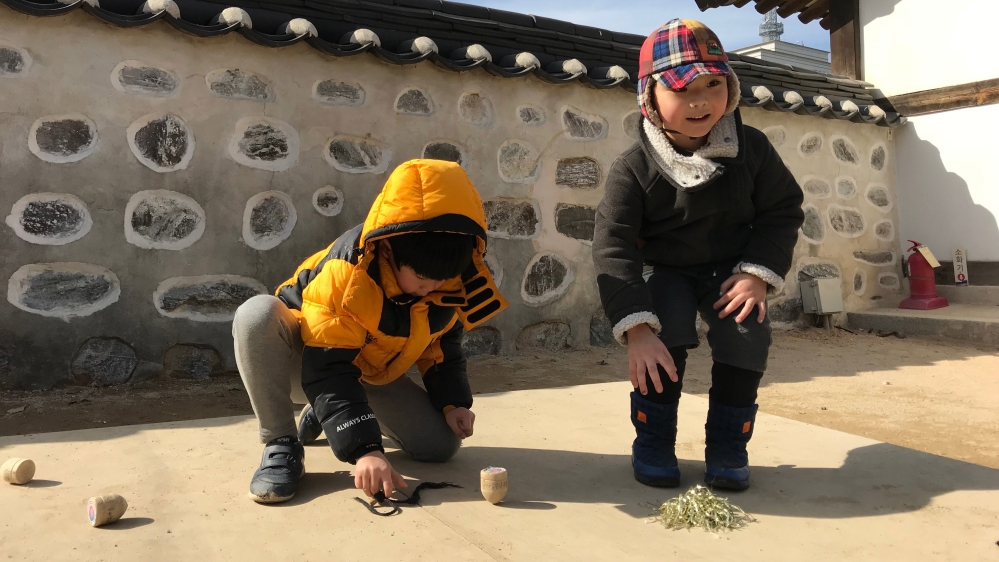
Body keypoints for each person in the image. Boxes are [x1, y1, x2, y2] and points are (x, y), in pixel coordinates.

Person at [593, 19, 804, 491]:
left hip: (733, 271)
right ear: (650, 99)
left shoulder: (752, 148)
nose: (701, 101)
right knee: (663, 341)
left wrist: (756, 276)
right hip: (665, 270)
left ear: (730, 88)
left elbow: (783, 209)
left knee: (746, 334)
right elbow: (613, 247)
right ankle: (653, 441)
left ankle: (728, 447)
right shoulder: (632, 169)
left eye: (714, 85)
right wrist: (638, 330)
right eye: (683, 89)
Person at [233, 159, 507, 503]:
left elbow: (441, 348)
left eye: (441, 278)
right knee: (256, 314)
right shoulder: (345, 275)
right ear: (390, 249)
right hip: (308, 362)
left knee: (440, 446)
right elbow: (328, 368)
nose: (432, 287)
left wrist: (453, 404)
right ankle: (281, 444)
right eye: (422, 279)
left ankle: (325, 412)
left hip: (366, 371)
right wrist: (366, 449)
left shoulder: (450, 281)